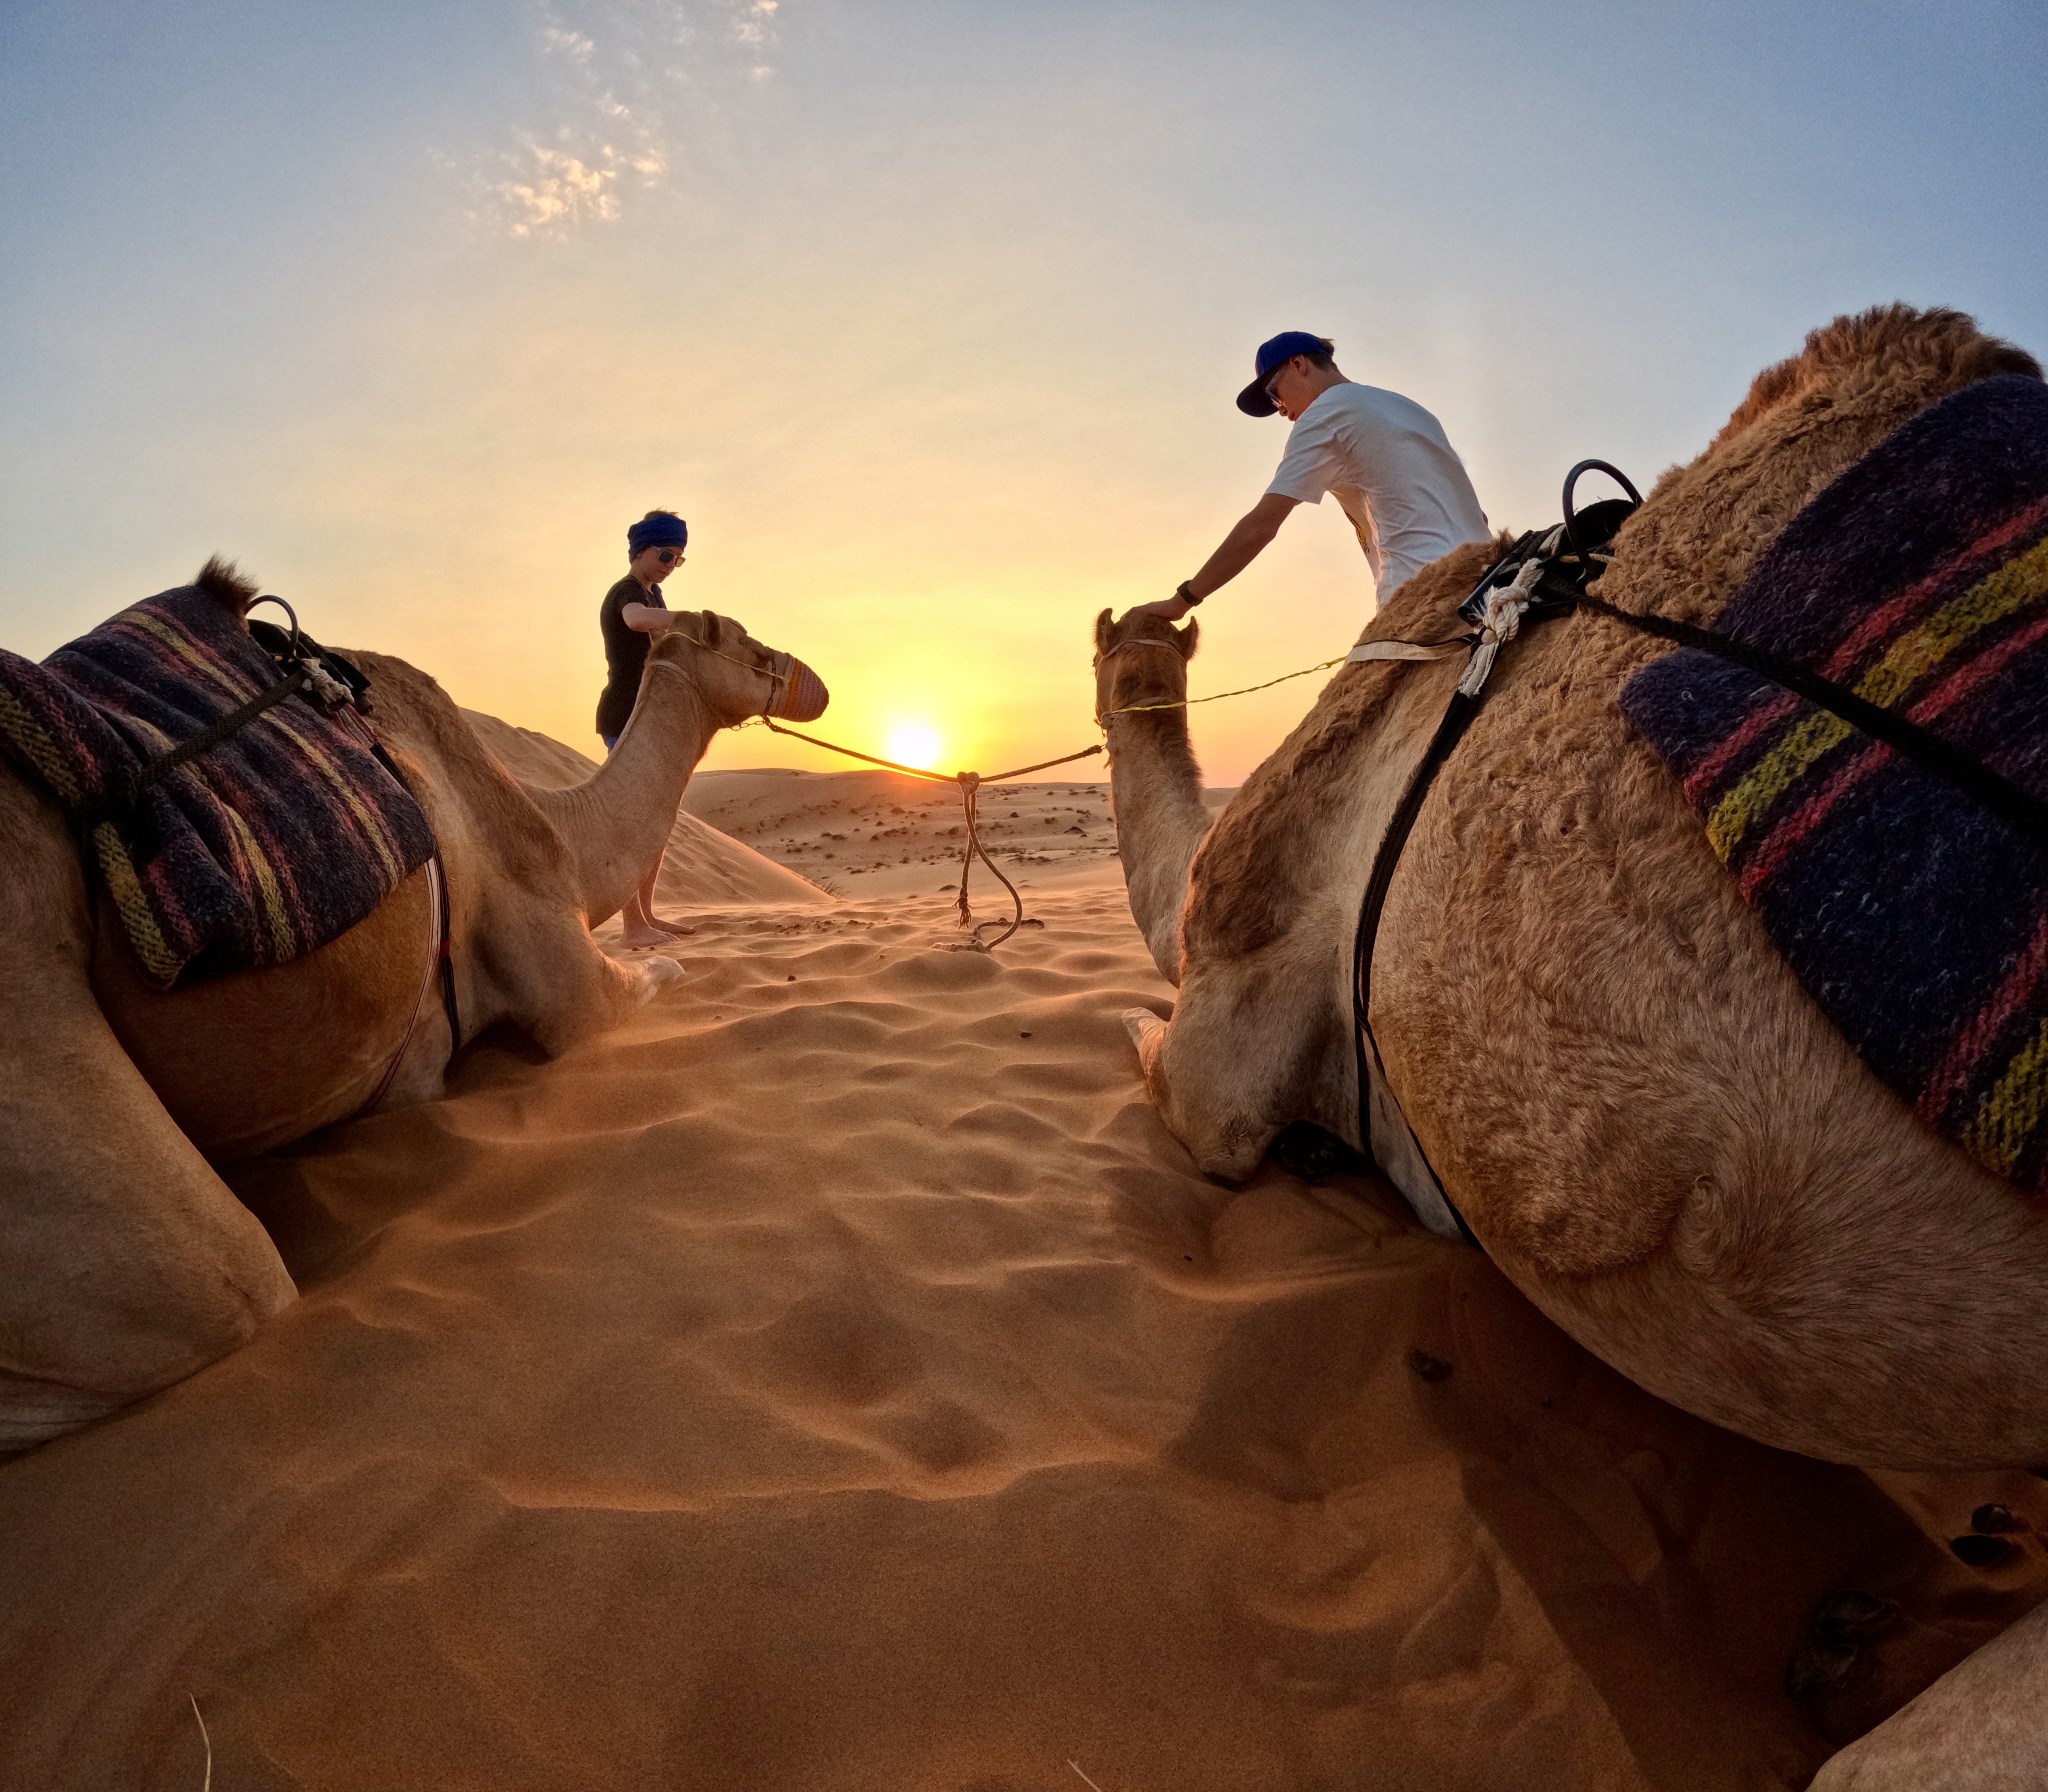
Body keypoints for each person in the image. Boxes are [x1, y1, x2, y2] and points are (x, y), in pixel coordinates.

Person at [1135, 331, 1490, 621]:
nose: (1282, 411)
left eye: (1274, 395)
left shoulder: (1324, 416)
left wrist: (1182, 601)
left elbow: (1260, 528)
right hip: (1492, 580)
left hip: (1423, 597)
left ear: (1298, 364)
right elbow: (1477, 513)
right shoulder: (1411, 409)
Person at [595, 509, 695, 949]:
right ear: (642, 548)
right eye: (666, 553)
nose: (670, 564)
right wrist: (686, 618)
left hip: (648, 719)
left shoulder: (654, 596)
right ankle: (632, 926)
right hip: (624, 717)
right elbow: (635, 620)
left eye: (678, 559)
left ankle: (648, 915)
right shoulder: (628, 592)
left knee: (653, 824)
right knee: (631, 823)